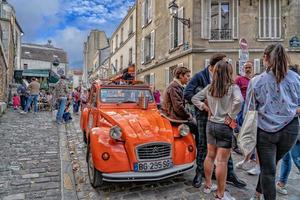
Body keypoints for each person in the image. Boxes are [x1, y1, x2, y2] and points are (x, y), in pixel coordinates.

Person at [184, 53, 246, 188]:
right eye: (223, 62)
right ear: (214, 66)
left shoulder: (226, 79)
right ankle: (199, 174)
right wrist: (204, 106)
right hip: (204, 117)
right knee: (202, 146)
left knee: (225, 150)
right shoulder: (200, 76)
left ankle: (230, 174)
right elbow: (188, 94)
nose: (226, 65)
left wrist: (230, 116)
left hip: (223, 119)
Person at [247, 44, 300, 200]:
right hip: (290, 129)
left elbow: (250, 110)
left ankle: (260, 195)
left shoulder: (256, 81)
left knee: (268, 170)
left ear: (265, 58)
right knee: (269, 165)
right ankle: (257, 194)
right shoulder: (296, 78)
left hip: (265, 131)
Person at [276, 65, 300, 195]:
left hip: (294, 129)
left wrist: (291, 110)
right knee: (287, 158)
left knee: (296, 158)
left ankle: (281, 182)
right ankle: (281, 182)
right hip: (287, 128)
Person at [234, 62, 261, 176]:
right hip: (244, 109)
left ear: (252, 68)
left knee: (253, 136)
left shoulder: (256, 79)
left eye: (249, 67)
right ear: (243, 68)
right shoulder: (239, 79)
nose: (248, 69)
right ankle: (247, 158)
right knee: (246, 134)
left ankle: (252, 161)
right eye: (246, 67)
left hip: (255, 110)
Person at [161, 66, 198, 135]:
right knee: (197, 127)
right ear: (181, 76)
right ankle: (198, 145)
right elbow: (178, 107)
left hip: (174, 115)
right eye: (187, 76)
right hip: (173, 117)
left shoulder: (177, 86)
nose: (189, 78)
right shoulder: (174, 87)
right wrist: (188, 116)